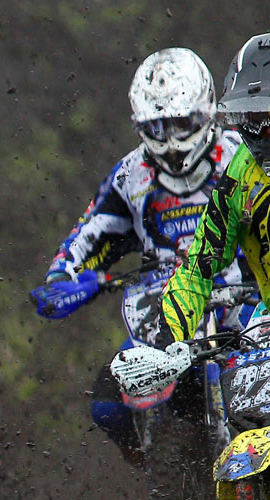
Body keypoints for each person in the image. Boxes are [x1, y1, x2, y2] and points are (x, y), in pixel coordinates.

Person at [35, 49, 245, 464]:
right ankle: (154, 469)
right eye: (156, 128)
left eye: (180, 124)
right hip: (165, 311)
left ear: (206, 111)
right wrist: (62, 277)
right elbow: (90, 233)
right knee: (107, 407)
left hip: (244, 302)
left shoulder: (242, 157)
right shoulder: (131, 176)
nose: (170, 142)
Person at [162, 34, 270, 343]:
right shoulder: (239, 177)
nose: (261, 131)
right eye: (250, 118)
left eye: (268, 117)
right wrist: (166, 342)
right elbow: (197, 267)